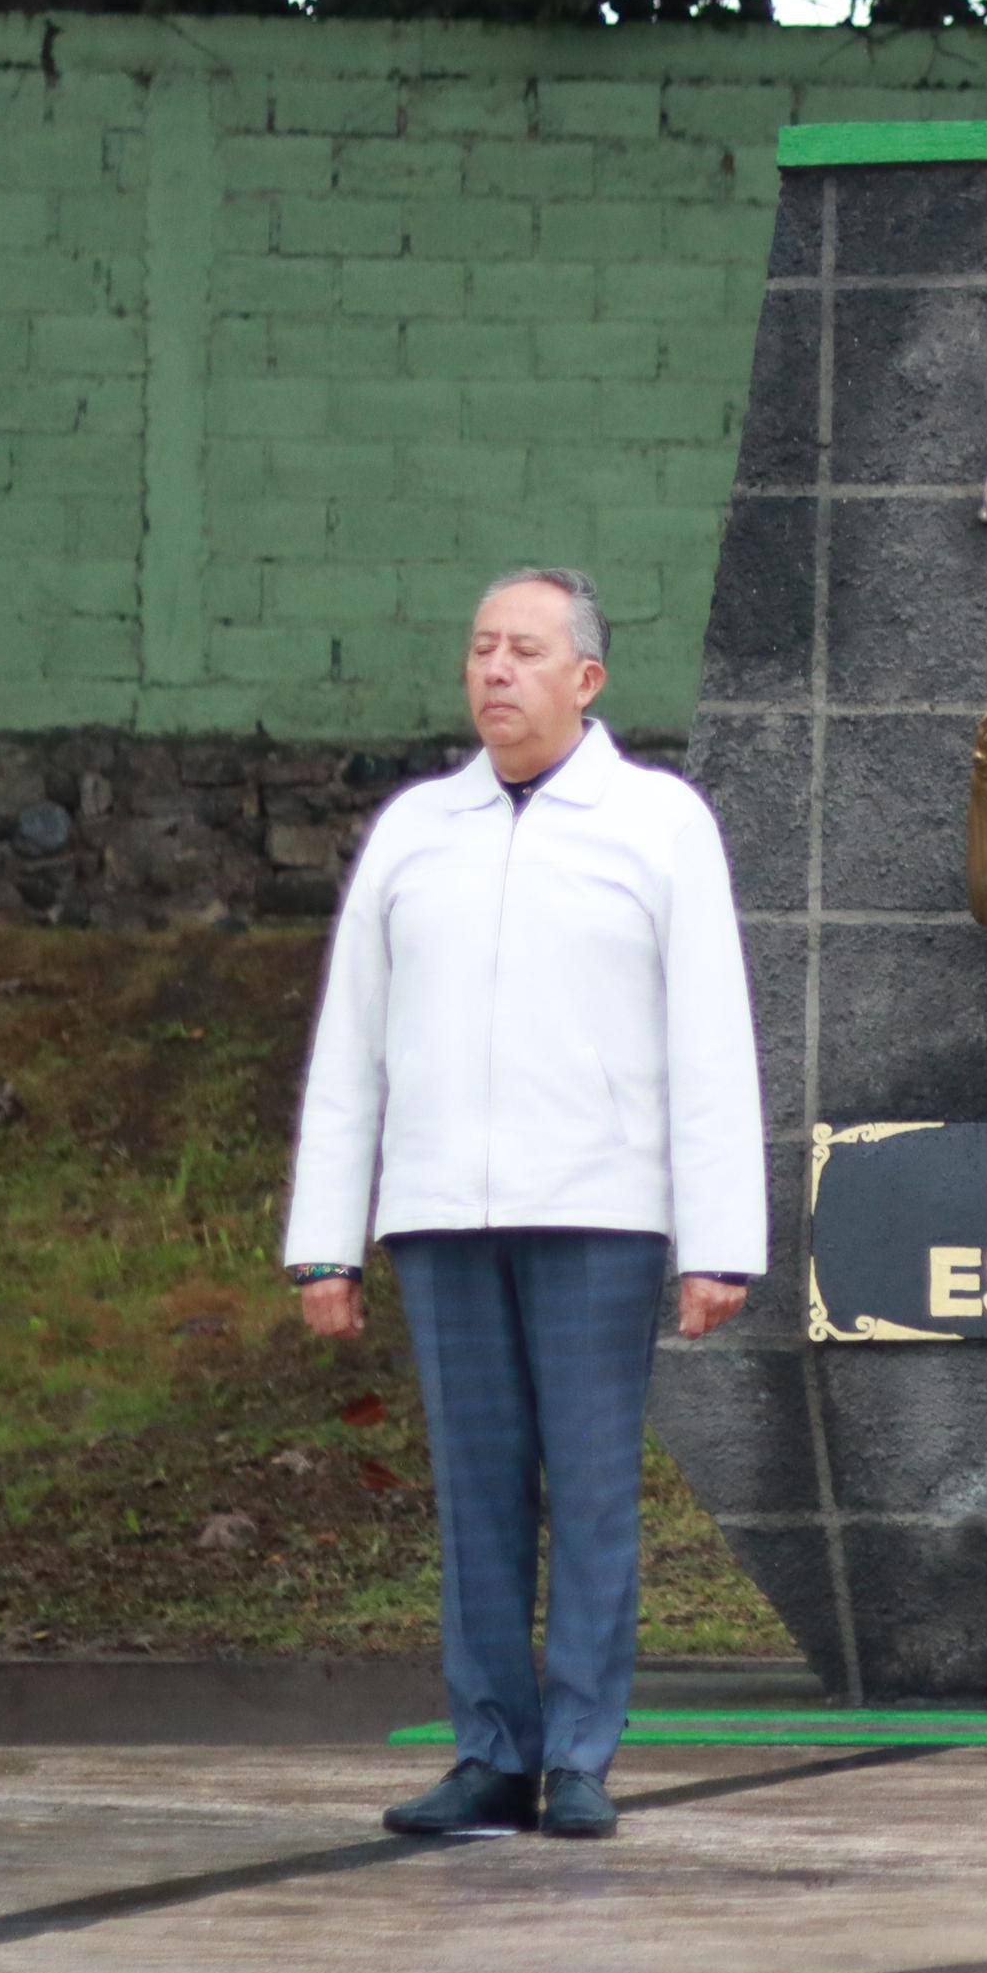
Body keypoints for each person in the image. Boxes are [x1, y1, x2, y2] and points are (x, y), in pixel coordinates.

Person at [284, 568, 768, 1842]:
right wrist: (324, 1242)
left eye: (525, 650)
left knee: (595, 1488)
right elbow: (354, 1045)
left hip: (599, 1211)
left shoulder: (659, 822)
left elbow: (712, 1039)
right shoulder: (415, 828)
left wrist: (719, 1240)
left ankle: (581, 1755)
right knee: (479, 1490)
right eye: (481, 646)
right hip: (443, 1213)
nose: (495, 670)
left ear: (586, 679)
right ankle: (491, 1753)